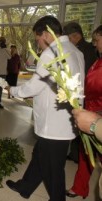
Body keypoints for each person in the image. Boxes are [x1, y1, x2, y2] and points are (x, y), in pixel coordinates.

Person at [5, 16, 85, 201]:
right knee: (40, 154)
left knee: (53, 170)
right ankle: (25, 187)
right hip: (67, 120)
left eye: (37, 39)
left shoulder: (51, 53)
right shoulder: (75, 50)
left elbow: (34, 86)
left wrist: (12, 89)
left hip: (52, 124)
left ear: (47, 34)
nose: (38, 43)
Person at [66, 24, 102, 199]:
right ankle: (80, 187)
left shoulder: (89, 54)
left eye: (97, 40)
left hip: (97, 113)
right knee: (85, 153)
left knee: (87, 153)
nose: (95, 44)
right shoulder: (97, 58)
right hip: (90, 109)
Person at [63, 22, 97, 163]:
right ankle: (76, 154)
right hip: (82, 93)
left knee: (82, 125)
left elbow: (85, 75)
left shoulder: (86, 50)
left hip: (87, 95)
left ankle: (80, 156)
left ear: (76, 36)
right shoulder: (82, 48)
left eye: (68, 38)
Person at [71, 109, 102, 199]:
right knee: (85, 155)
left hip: (94, 120)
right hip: (87, 115)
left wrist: (95, 125)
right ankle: (80, 188)